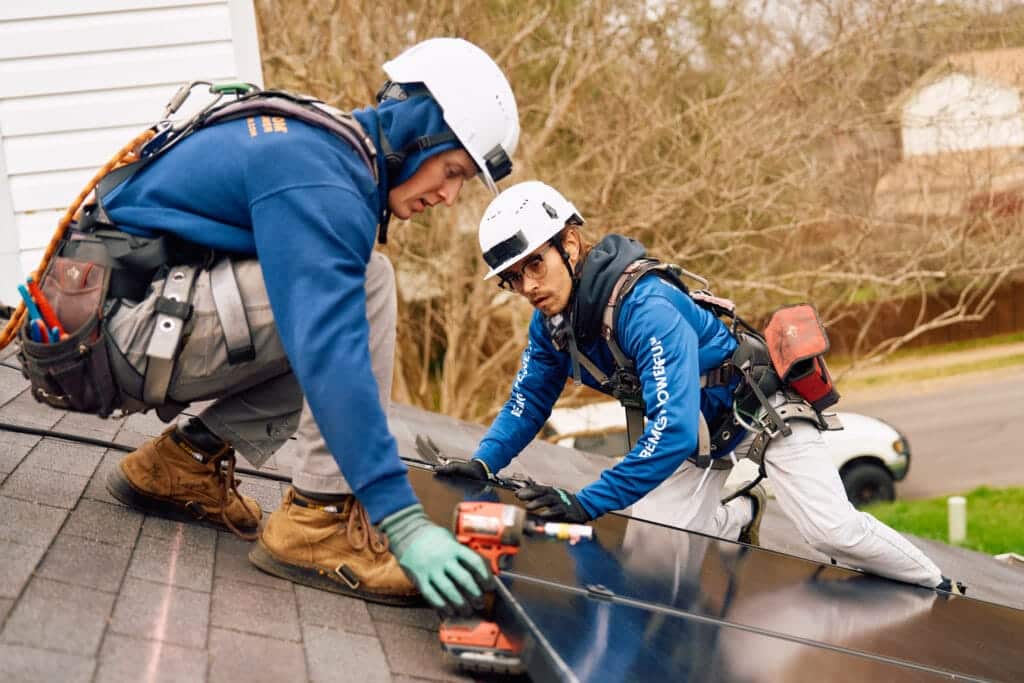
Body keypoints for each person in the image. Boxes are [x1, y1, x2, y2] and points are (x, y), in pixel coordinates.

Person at [52, 37, 520, 616]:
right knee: (363, 286)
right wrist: (399, 519)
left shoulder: (321, 147)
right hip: (109, 340)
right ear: (415, 132)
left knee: (343, 286)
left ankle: (183, 462)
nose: (449, 196)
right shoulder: (319, 176)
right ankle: (317, 521)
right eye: (451, 170)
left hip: (110, 326)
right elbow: (329, 351)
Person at [438, 180, 964, 593]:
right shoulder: (552, 325)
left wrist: (586, 503)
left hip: (759, 413)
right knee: (651, 555)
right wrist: (485, 461)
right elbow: (529, 400)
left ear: (570, 244)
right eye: (513, 276)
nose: (528, 285)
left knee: (831, 531)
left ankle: (939, 584)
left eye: (535, 263)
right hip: (696, 435)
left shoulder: (646, 307)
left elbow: (667, 435)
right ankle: (739, 512)